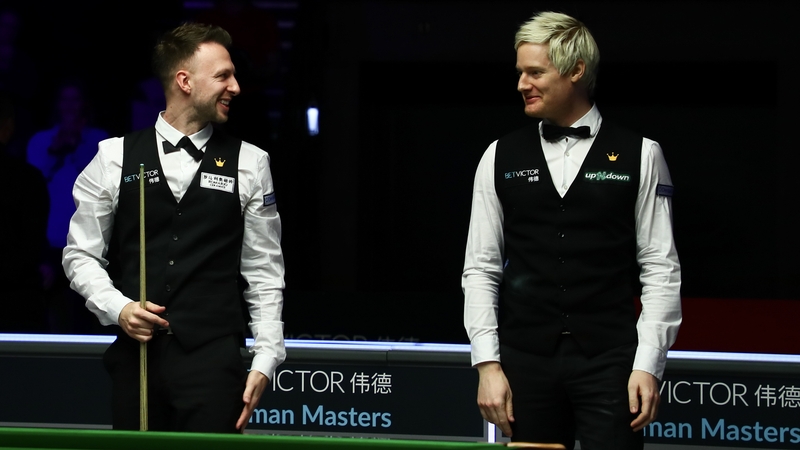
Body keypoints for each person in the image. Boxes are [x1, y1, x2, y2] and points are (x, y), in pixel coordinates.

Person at [462, 11, 681, 449]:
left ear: (576, 70)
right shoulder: (497, 156)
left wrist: (647, 364)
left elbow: (661, 268)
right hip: (525, 361)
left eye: (535, 72)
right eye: (520, 72)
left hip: (611, 361)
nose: (522, 84)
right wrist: (487, 365)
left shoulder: (642, 154)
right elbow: (481, 268)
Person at [62, 22, 286, 433]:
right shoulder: (113, 157)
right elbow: (80, 255)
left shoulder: (251, 163)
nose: (235, 87)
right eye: (223, 75)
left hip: (213, 365)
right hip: (138, 362)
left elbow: (264, 273)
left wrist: (266, 358)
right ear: (184, 81)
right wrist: (120, 308)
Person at [26, 80, 109, 333]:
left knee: (84, 314)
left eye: (76, 99)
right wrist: (58, 147)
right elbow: (35, 184)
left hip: (88, 240)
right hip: (49, 240)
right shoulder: (41, 141)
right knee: (49, 312)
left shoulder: (99, 141)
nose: (70, 106)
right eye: (65, 99)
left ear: (84, 104)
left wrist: (77, 143)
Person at [0, 89, 49, 333]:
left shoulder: (26, 180)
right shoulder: (28, 179)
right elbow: (31, 248)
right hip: (18, 306)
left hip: (15, 307)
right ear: (7, 127)